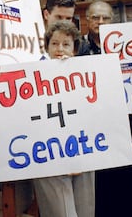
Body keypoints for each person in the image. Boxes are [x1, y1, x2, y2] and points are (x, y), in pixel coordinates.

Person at [78, 0, 132, 216]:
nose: (101, 21)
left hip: (122, 121)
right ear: (87, 19)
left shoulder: (126, 45)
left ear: (113, 20)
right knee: (98, 180)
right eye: (95, 17)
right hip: (90, 123)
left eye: (105, 17)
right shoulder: (77, 47)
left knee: (124, 176)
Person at [33, 20, 96, 217]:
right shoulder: (32, 76)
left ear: (75, 49)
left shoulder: (89, 75)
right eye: (54, 43)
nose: (60, 49)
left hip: (84, 153)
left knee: (86, 211)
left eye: (66, 44)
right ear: (47, 46)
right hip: (49, 155)